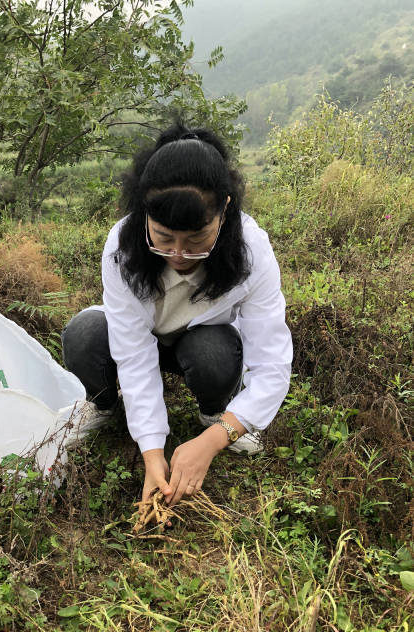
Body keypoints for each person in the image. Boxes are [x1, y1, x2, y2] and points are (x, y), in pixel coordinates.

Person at [62, 123, 292, 507]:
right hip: (146, 335)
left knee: (214, 352)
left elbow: (272, 365)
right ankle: (102, 404)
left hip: (201, 340)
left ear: (225, 209)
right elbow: (134, 354)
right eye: (164, 238)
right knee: (84, 333)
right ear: (144, 214)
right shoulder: (122, 246)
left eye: (197, 239)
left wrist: (213, 440)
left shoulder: (251, 250)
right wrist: (153, 453)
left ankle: (216, 414)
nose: (179, 255)